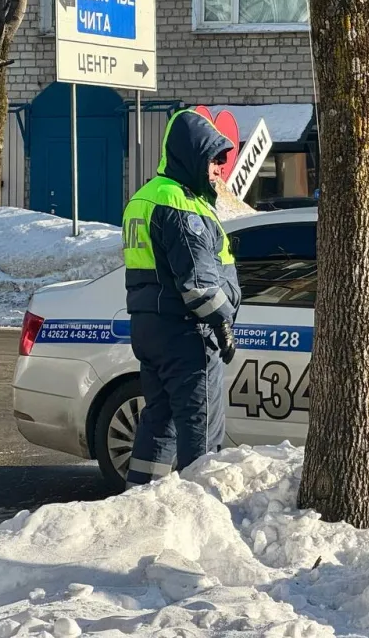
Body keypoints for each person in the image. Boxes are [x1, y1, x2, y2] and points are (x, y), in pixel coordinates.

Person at [121, 108, 241, 488]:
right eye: (212, 159)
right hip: (188, 333)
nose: (218, 169)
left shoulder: (145, 198)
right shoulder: (182, 204)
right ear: (190, 155)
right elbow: (199, 285)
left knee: (159, 422)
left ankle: (138, 501)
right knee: (201, 430)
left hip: (151, 328)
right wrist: (222, 322)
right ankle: (200, 511)